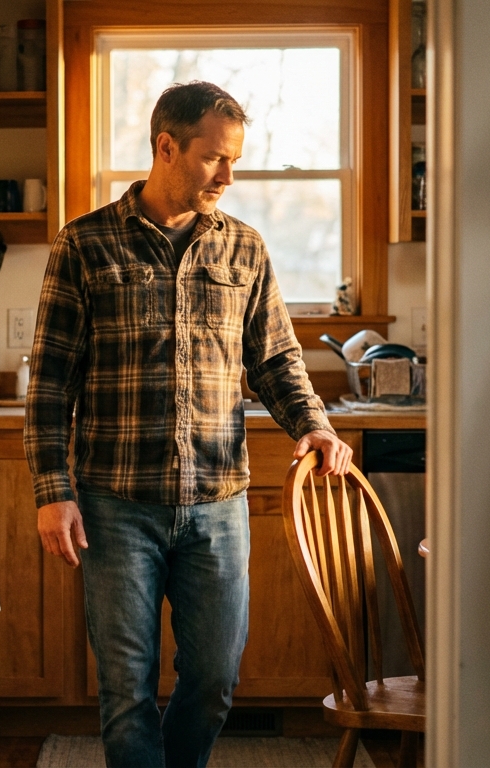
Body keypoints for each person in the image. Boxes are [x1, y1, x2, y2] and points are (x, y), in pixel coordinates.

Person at [25, 81, 353, 767]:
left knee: (213, 683)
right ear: (165, 147)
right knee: (125, 692)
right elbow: (52, 382)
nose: (228, 177)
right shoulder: (84, 245)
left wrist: (313, 424)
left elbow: (275, 360)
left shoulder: (245, 249)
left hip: (217, 504)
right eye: (213, 159)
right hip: (115, 505)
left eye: (234, 160)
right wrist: (52, 491)